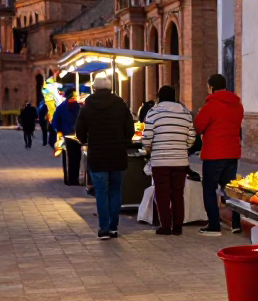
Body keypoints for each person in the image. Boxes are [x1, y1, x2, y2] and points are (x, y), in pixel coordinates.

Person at [75, 75, 134, 240]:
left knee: (101, 192)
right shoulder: (120, 104)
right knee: (115, 191)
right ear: (110, 88)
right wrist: (125, 141)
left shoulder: (87, 105)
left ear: (94, 88)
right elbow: (130, 128)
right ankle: (114, 228)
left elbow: (79, 131)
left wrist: (86, 141)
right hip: (117, 155)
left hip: (97, 155)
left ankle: (104, 228)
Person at [193, 73, 244, 236]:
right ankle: (236, 223)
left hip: (213, 154)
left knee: (209, 189)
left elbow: (198, 126)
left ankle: (214, 225)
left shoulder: (210, 105)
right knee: (230, 190)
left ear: (211, 87)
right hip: (232, 153)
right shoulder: (237, 105)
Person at [143, 85, 195, 235]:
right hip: (180, 161)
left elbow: (147, 138)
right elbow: (191, 139)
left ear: (159, 97)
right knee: (178, 193)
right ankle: (178, 226)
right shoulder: (186, 113)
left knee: (162, 193)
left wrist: (150, 148)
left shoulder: (153, 112)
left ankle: (166, 226)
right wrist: (179, 146)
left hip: (160, 162)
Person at [52, 89, 83, 185]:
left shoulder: (78, 107)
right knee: (68, 157)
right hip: (66, 137)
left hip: (76, 137)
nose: (73, 98)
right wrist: (59, 132)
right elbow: (55, 122)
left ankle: (74, 178)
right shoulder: (62, 108)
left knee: (76, 157)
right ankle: (68, 179)